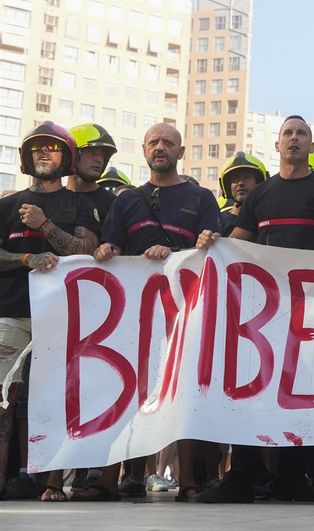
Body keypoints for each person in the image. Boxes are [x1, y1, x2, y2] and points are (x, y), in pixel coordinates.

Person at [196, 116, 314, 505]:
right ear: (278, 144)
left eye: (302, 133)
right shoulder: (260, 195)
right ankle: (244, 477)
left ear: (312, 147)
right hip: (266, 315)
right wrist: (211, 241)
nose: (295, 139)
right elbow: (235, 246)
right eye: (288, 133)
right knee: (256, 391)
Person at [86, 123, 220, 502]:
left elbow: (211, 251)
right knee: (125, 390)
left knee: (184, 391)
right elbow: (111, 242)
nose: (160, 147)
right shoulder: (126, 200)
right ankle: (108, 480)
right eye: (154, 142)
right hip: (133, 313)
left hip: (185, 311)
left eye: (168, 143)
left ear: (180, 152)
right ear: (144, 150)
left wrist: (178, 252)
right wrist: (106, 252)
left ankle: (189, 480)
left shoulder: (202, 197)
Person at [0, 123, 100, 502]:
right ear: (27, 158)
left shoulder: (78, 204)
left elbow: (87, 251)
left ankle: (53, 483)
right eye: (38, 148)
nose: (44, 153)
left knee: (56, 398)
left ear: (66, 157)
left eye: (53, 148)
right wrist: (25, 256)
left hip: (62, 317)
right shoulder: (7, 205)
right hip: (10, 314)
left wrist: (45, 225)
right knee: (3, 401)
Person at [216, 151, 268, 235]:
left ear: (259, 183)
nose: (240, 183)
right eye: (235, 178)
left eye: (247, 177)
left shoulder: (267, 219)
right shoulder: (217, 222)